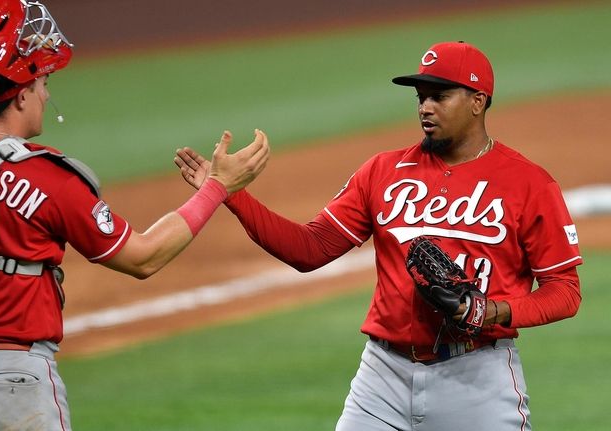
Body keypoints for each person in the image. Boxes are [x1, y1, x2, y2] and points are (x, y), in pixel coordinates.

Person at [0, 1, 269, 430]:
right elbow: (143, 256)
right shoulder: (46, 177)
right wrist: (217, 188)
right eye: (41, 81)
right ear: (20, 94)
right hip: (15, 388)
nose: (46, 93)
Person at [174, 41, 582, 430]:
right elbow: (309, 249)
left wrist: (493, 312)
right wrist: (229, 194)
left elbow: (564, 290)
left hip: (476, 379)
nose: (425, 106)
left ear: (478, 100)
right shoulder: (383, 172)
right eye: (420, 96)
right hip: (382, 377)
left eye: (439, 96)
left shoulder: (529, 184)